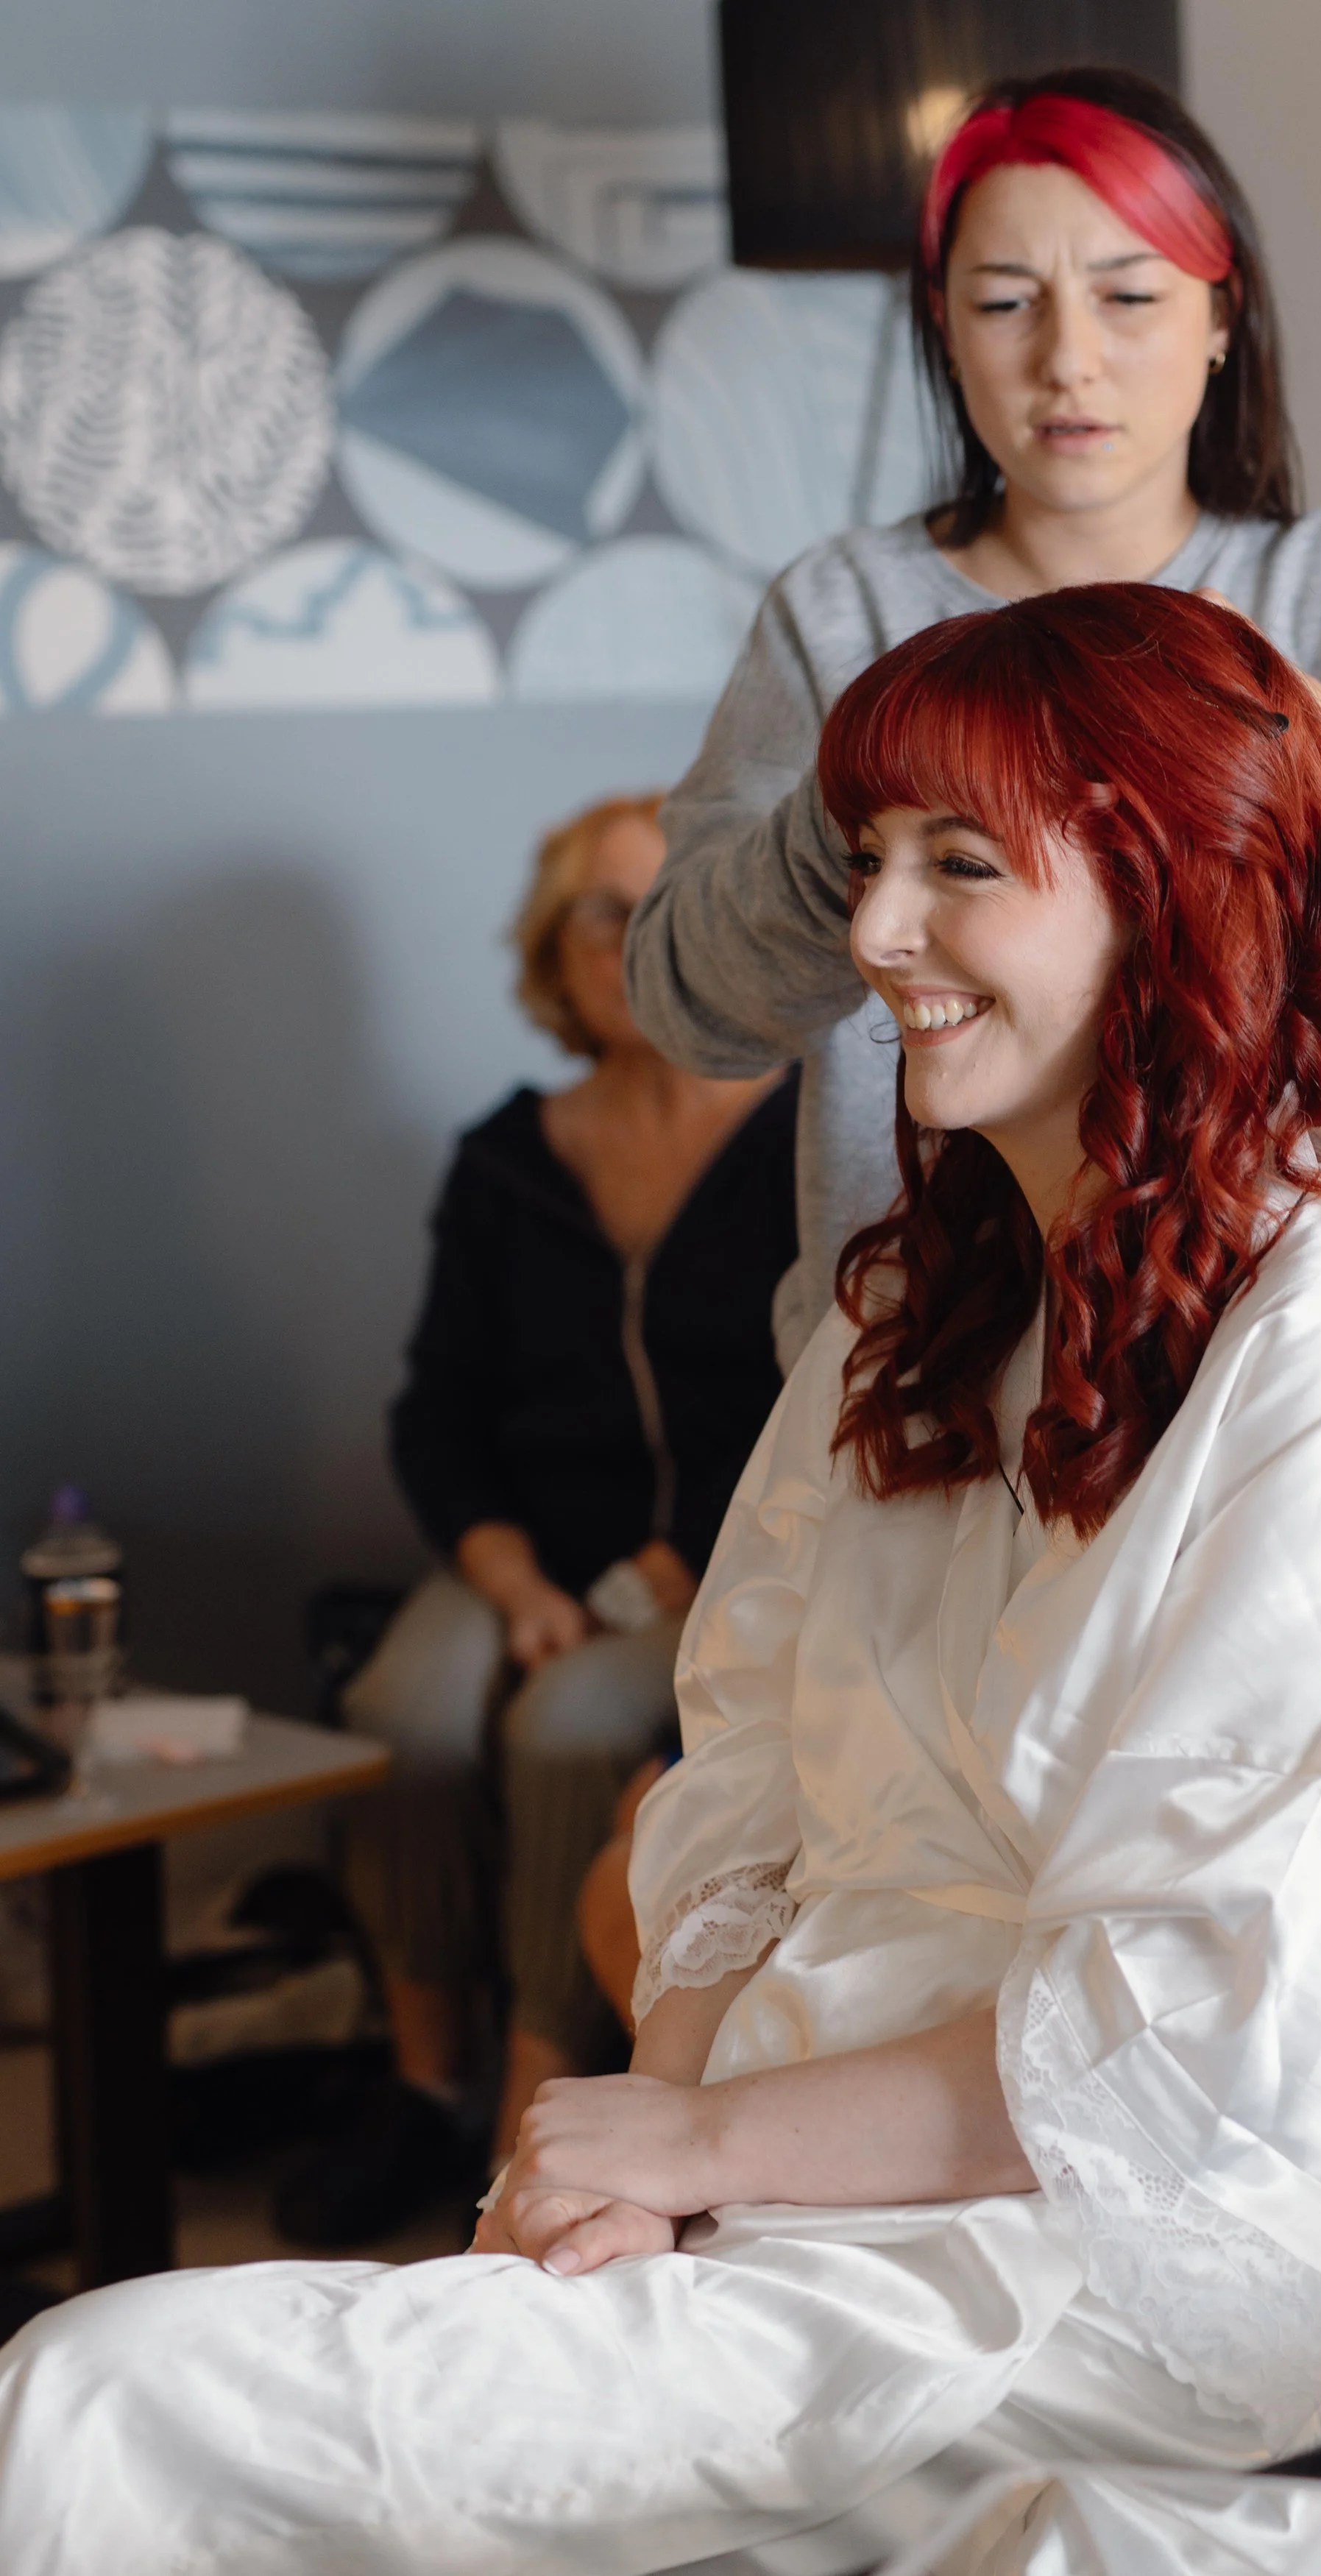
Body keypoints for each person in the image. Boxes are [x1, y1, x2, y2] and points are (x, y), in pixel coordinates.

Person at [0, 587, 1321, 2573]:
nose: (873, 935)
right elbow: (742, 1777)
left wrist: (706, 2142)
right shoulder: (915, 1306)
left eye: (960, 865)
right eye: (870, 859)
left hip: (1115, 2247)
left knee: (89, 2399)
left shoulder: (1318, 1341)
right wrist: (641, 2150)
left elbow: (1189, 2032)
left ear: (1174, 893)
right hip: (791, 2133)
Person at [626, 66, 1321, 1374]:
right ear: (945, 330)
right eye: (1005, 302)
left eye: (1129, 296)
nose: (1068, 359)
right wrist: (885, 783)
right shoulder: (841, 610)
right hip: (915, 1368)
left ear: (1221, 317)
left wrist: (1304, 730)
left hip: (1277, 1368)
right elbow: (686, 1005)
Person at [281, 793, 796, 2247]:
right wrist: (510, 1579)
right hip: (525, 1545)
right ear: (552, 951)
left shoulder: (805, 1145)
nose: (633, 943)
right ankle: (423, 2079)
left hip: (721, 1563)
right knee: (407, 1707)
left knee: (570, 1722)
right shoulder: (506, 1159)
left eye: (663, 910)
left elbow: (822, 1388)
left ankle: (534, 2107)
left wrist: (681, 1560)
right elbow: (435, 1410)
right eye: (599, 914)